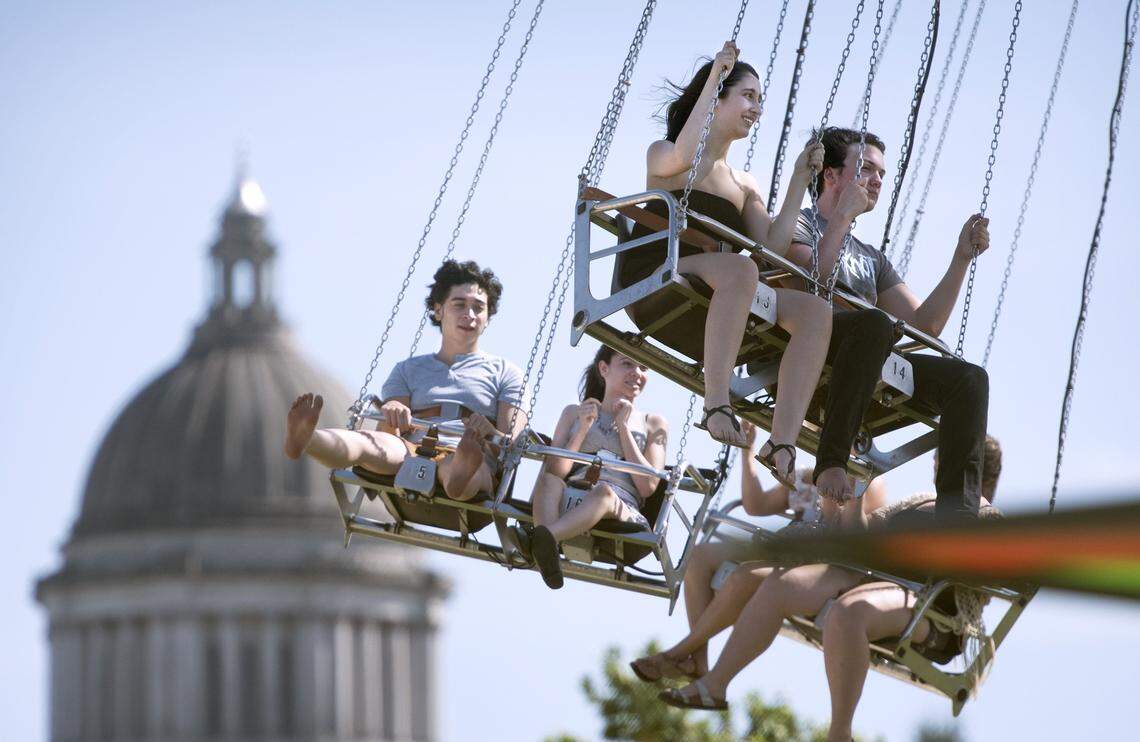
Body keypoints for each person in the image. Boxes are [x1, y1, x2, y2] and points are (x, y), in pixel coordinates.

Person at [658, 437, 1004, 728]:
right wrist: (854, 495)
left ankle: (839, 732)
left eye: (941, 459)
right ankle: (714, 685)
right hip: (874, 580)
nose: (935, 466)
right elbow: (858, 536)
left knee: (847, 612)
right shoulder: (921, 501)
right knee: (779, 584)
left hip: (931, 611)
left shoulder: (987, 519)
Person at [615, 40, 831, 487]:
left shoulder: (743, 183)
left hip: (716, 292)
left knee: (814, 311)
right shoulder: (666, 154)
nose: (756, 107)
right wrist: (715, 74)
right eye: (748, 96)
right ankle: (716, 403)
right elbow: (683, 155)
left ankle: (783, 442)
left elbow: (770, 245)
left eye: (759, 99)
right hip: (661, 277)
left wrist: (797, 180)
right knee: (740, 270)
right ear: (717, 98)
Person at [786, 126, 992, 523]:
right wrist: (842, 217)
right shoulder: (799, 222)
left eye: (882, 172)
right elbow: (808, 283)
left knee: (969, 379)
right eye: (866, 169)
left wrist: (960, 258)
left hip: (869, 349)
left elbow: (925, 325)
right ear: (831, 175)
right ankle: (831, 460)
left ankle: (958, 517)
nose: (877, 180)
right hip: (811, 338)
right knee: (874, 324)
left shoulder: (871, 259)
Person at [630, 421, 886, 683]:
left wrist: (830, 475)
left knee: (742, 576)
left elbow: (844, 530)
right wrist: (747, 451)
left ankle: (678, 653)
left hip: (817, 562)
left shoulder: (865, 481)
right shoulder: (808, 475)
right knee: (700, 556)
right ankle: (698, 659)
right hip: (784, 545)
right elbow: (756, 504)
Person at [284, 259, 527, 500]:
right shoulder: (408, 370)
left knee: (460, 464)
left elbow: (511, 445)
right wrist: (393, 409)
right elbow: (390, 433)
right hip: (411, 450)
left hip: (473, 452)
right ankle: (309, 438)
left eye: (478, 307)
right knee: (368, 443)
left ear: (488, 317)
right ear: (438, 310)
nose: (470, 315)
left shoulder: (506, 373)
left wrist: (490, 432)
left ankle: (459, 473)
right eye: (459, 304)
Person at [528, 346, 668, 589]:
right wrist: (583, 428)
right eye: (627, 364)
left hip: (620, 505)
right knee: (548, 481)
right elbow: (555, 471)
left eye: (643, 367)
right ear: (604, 368)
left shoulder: (653, 423)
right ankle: (548, 552)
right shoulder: (574, 412)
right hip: (574, 494)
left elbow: (648, 487)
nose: (637, 372)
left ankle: (545, 538)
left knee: (603, 493)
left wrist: (624, 428)